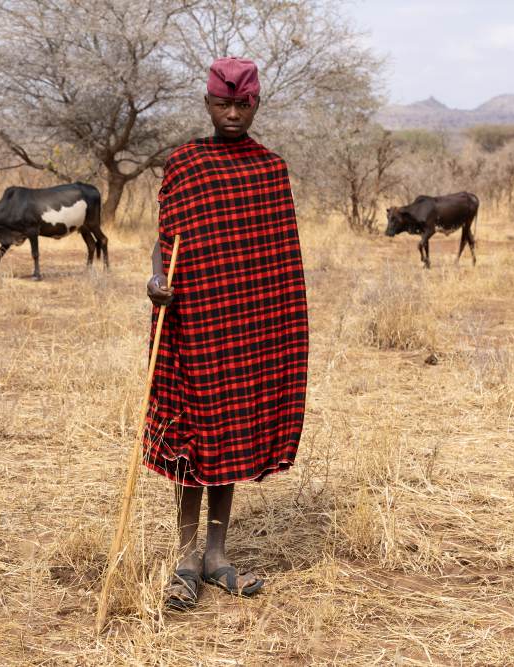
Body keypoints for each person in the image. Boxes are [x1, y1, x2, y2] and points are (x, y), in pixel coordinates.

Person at [144, 57, 309, 610]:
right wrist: (154, 281)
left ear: (257, 104)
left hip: (246, 326)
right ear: (207, 103)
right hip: (192, 322)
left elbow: (278, 262)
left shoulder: (270, 170)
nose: (233, 113)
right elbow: (166, 239)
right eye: (223, 103)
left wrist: (276, 325)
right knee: (194, 434)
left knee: (230, 434)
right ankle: (186, 557)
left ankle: (217, 556)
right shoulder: (185, 164)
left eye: (243, 104)